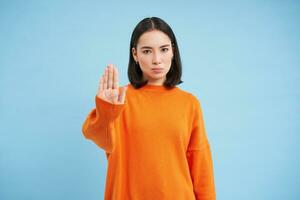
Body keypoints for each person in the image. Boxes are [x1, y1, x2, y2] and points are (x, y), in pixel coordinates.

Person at [82, 17, 216, 200]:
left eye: (164, 50)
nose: (157, 60)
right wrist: (106, 111)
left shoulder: (189, 103)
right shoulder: (118, 98)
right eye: (147, 51)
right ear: (135, 54)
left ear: (173, 52)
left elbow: (201, 167)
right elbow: (98, 137)